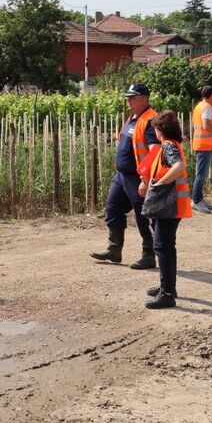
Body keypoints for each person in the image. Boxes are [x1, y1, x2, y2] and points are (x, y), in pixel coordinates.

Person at [90, 83, 160, 269]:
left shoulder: (151, 120)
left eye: (132, 97)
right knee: (112, 209)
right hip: (122, 175)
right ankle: (114, 249)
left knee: (143, 216)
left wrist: (145, 179)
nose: (128, 100)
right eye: (128, 97)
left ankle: (149, 255)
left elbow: (155, 151)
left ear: (144, 98)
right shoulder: (132, 118)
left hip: (138, 177)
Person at [140, 110, 192, 308]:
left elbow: (177, 167)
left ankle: (167, 293)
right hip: (173, 205)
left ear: (161, 130)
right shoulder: (173, 145)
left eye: (156, 128)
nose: (155, 132)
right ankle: (168, 287)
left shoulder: (169, 146)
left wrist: (160, 184)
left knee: (162, 247)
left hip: (168, 205)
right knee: (167, 247)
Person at [190, 85, 212, 213]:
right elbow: (206, 125)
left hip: (202, 144)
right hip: (204, 145)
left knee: (201, 174)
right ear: (211, 95)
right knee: (200, 175)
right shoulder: (207, 108)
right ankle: (195, 201)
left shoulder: (199, 106)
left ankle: (199, 199)